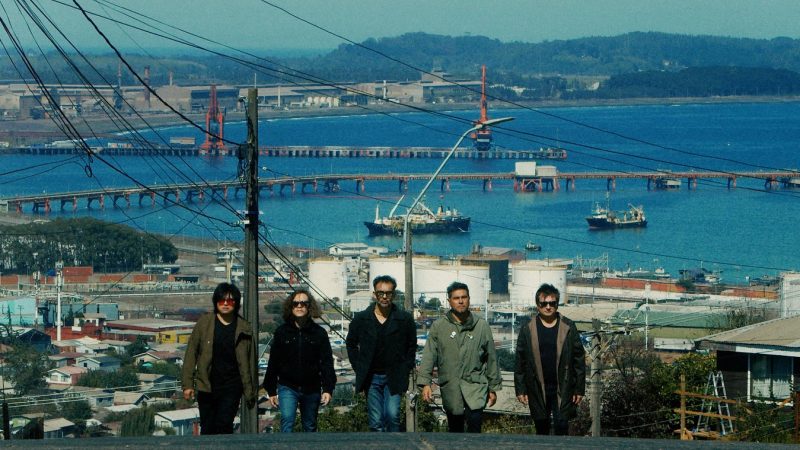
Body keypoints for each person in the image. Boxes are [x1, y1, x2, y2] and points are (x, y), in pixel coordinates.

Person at [418, 281, 501, 433]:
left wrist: (493, 387)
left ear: (469, 299)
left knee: (475, 427)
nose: (461, 301)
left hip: (476, 386)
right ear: (449, 301)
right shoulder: (439, 327)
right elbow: (429, 355)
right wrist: (425, 383)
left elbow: (491, 359)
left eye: (464, 297)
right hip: (451, 386)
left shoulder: (481, 326)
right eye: (456, 298)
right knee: (455, 429)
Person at [181, 282, 257, 435]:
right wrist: (187, 384)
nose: (226, 304)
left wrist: (251, 390)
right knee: (208, 427)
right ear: (216, 302)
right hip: (207, 384)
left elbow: (251, 362)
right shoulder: (204, 323)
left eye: (230, 301)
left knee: (224, 424)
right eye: (222, 300)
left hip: (232, 385)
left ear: (236, 303)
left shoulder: (244, 327)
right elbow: (191, 353)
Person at [346, 275, 416, 432]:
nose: (384, 297)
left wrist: (405, 368)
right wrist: (359, 367)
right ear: (374, 294)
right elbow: (350, 344)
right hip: (371, 377)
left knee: (393, 416)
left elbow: (412, 346)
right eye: (380, 293)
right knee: (376, 421)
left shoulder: (404, 319)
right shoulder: (361, 319)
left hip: (395, 376)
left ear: (394, 295)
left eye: (388, 293)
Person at [514, 283, 586, 436]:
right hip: (537, 387)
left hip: (563, 387)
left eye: (552, 303)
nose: (548, 307)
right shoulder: (527, 328)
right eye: (544, 303)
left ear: (557, 304)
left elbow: (578, 359)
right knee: (541, 427)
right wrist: (520, 389)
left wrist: (579, 388)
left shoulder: (568, 326)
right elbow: (520, 361)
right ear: (537, 305)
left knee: (562, 426)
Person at [262, 289, 336, 432]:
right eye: (296, 303)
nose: (300, 306)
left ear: (310, 307)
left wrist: (328, 388)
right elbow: (274, 362)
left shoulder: (319, 333)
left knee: (310, 426)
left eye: (304, 303)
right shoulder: (282, 332)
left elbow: (326, 363)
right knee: (287, 422)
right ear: (291, 307)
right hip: (287, 386)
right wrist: (271, 390)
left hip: (312, 387)